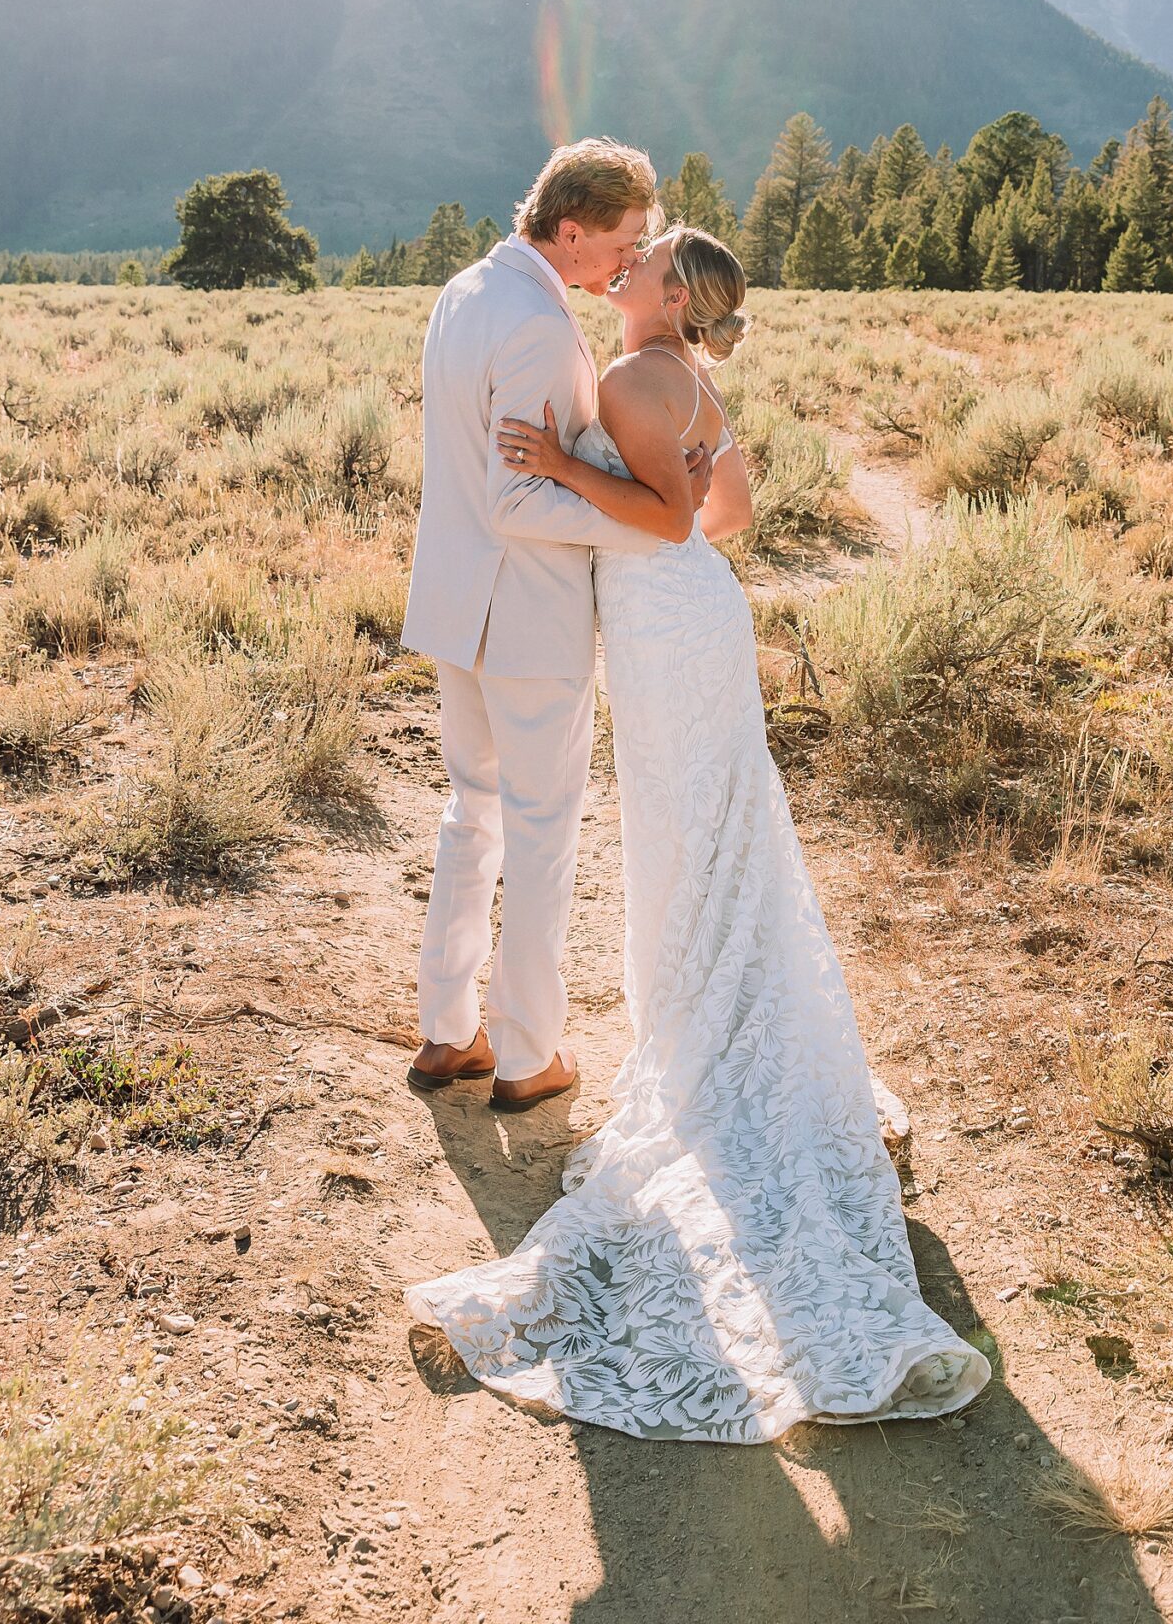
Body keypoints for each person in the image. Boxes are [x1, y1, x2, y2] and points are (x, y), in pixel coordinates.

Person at [407, 223, 991, 1442]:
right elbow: (730, 510)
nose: (618, 267)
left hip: (668, 633)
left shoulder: (628, 376)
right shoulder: (685, 378)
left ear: (669, 289)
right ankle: (735, 1029)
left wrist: (558, 472)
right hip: (696, 626)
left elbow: (672, 520)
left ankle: (708, 1050)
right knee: (723, 836)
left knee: (688, 847)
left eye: (639, 256)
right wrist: (618, 498)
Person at [401, 137, 706, 1113]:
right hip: (524, 618)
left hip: (457, 607)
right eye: (620, 241)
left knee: (470, 816)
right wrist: (640, 517)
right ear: (569, 231)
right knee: (538, 834)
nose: (628, 260)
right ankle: (529, 1055)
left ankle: (448, 1033)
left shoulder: (462, 292)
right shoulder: (536, 323)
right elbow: (515, 500)